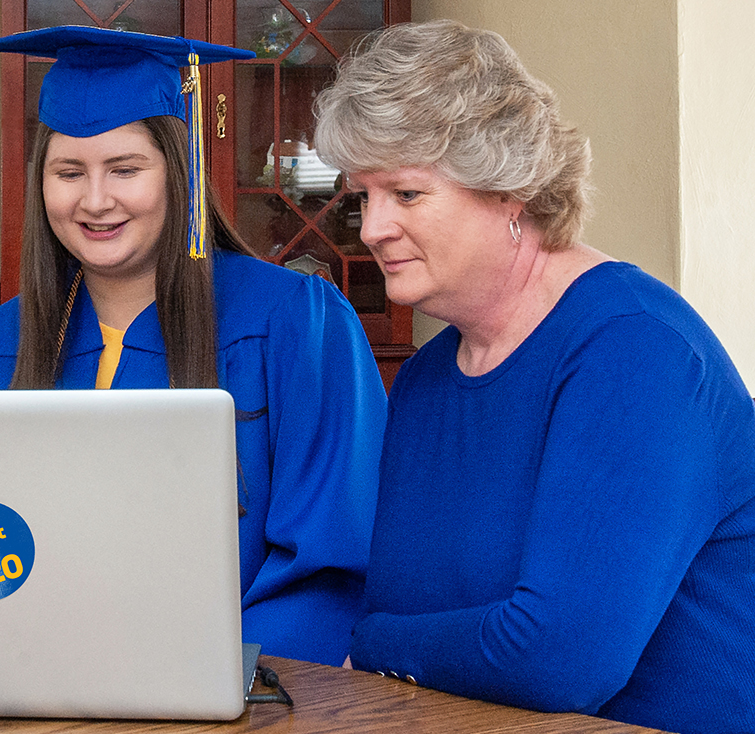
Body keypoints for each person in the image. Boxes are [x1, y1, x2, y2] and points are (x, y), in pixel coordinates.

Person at [313, 20, 755, 732]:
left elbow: (560, 659)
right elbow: (403, 602)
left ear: (508, 189)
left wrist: (372, 647)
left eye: (405, 193)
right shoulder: (428, 376)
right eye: (363, 196)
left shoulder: (635, 351)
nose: (371, 228)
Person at [0, 27, 387, 665]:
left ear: (180, 173)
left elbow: (330, 565)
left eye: (125, 169)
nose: (95, 201)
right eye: (68, 171)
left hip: (244, 697)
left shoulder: (292, 323)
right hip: (31, 689)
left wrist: (199, 682)